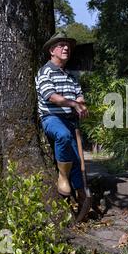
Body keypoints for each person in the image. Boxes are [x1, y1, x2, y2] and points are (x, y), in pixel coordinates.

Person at [35, 31, 89, 216]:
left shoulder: (70, 76)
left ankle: (82, 195)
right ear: (52, 50)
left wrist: (81, 104)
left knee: (76, 159)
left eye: (68, 46)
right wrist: (73, 103)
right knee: (63, 136)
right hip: (52, 118)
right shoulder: (45, 72)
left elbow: (78, 94)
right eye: (61, 45)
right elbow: (52, 97)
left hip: (69, 121)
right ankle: (62, 176)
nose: (66, 48)